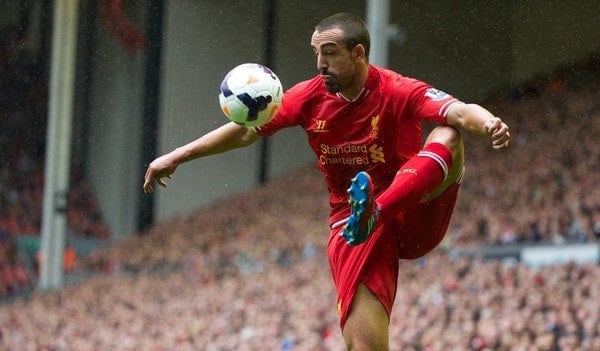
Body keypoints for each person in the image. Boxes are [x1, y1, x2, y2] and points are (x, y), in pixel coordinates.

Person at [143, 12, 510, 351]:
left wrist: (490, 123)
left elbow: (459, 111)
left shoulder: (399, 91)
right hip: (354, 225)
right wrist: (177, 155)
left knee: (448, 134)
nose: (320, 64)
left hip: (411, 210)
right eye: (317, 52)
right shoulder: (308, 97)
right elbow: (245, 132)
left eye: (330, 53)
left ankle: (377, 209)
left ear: (359, 54)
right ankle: (371, 214)